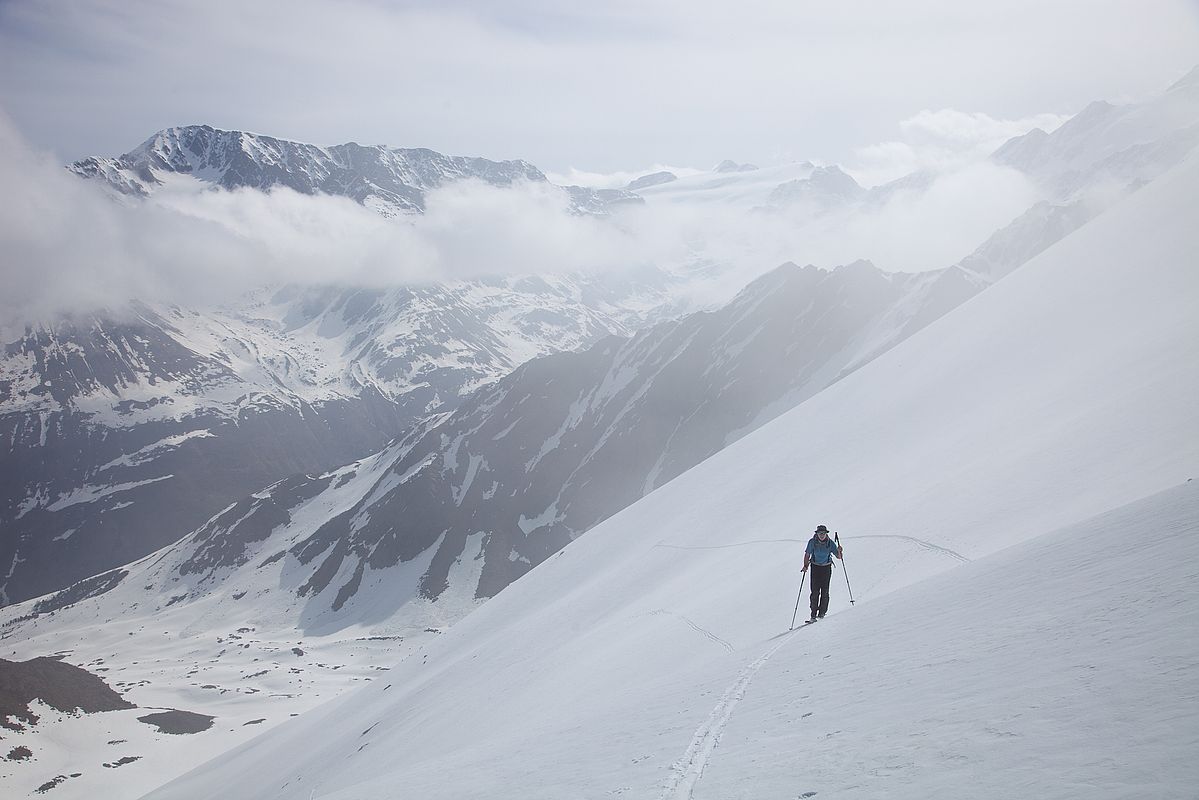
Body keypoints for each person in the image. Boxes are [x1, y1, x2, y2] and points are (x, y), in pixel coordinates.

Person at [801, 525, 843, 622]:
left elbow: (839, 557)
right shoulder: (812, 542)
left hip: (826, 568)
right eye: (820, 533)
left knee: (825, 591)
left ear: (826, 534)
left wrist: (840, 551)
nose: (822, 535)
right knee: (815, 591)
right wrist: (805, 566)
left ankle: (822, 613)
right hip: (815, 567)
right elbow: (807, 554)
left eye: (823, 533)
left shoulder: (830, 543)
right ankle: (813, 614)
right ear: (817, 533)